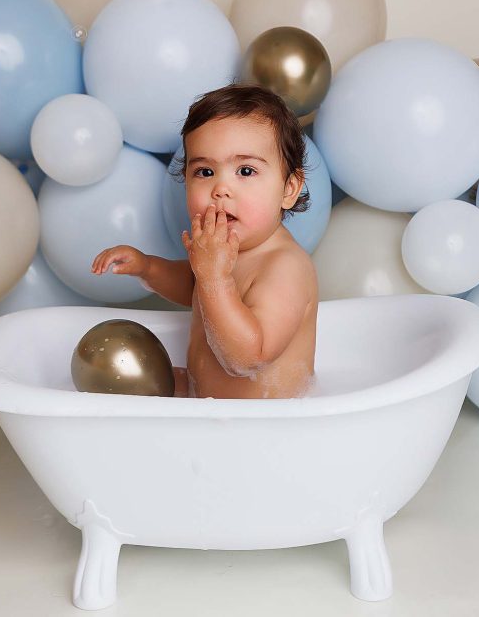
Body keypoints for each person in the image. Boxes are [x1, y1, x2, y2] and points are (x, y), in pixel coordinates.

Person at [90, 84, 318, 399]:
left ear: (289, 189)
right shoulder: (219, 254)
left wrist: (213, 276)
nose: (221, 189)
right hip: (207, 407)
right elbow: (196, 288)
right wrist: (148, 268)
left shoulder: (285, 267)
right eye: (205, 171)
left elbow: (248, 358)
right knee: (121, 385)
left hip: (261, 426)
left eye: (246, 170)